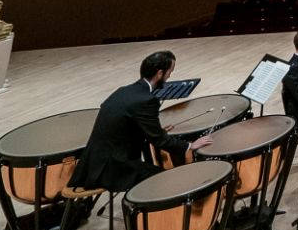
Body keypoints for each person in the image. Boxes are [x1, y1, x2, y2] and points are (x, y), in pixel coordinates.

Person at [73, 51, 212, 192]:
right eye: (170, 72)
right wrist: (190, 146)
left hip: (92, 165)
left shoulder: (124, 91)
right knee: (167, 181)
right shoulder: (146, 100)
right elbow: (159, 141)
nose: (170, 76)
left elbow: (125, 127)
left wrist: (157, 130)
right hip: (113, 169)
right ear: (159, 74)